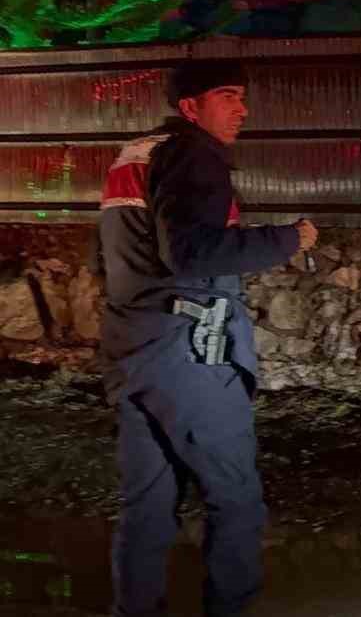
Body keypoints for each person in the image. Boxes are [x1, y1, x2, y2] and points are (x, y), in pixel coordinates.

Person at [97, 60, 318, 617]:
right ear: (190, 107)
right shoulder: (192, 153)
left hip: (133, 346)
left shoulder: (135, 154)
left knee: (147, 505)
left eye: (242, 96)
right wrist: (287, 238)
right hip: (189, 351)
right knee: (234, 499)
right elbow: (191, 253)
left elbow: (123, 255)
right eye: (227, 96)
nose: (242, 109)